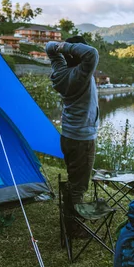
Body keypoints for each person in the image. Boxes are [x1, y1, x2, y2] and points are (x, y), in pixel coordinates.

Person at [46, 36, 100, 235]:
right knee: (79, 184)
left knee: (73, 177)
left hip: (68, 135)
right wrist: (65, 47)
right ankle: (73, 226)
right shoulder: (81, 73)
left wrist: (60, 48)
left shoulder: (60, 72)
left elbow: (48, 48)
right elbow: (92, 53)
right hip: (82, 140)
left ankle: (68, 213)